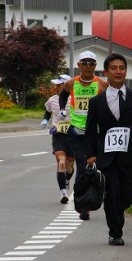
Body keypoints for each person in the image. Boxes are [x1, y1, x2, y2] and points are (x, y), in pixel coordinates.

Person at [85, 53, 132, 245]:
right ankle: (115, 233)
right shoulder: (96, 102)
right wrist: (90, 154)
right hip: (106, 155)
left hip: (130, 153)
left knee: (127, 195)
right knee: (112, 193)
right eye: (113, 68)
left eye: (121, 68)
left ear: (125, 71)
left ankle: (118, 211)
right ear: (106, 72)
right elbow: (90, 129)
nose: (118, 71)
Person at [59, 51, 108, 220]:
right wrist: (61, 109)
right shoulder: (71, 83)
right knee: (82, 166)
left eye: (91, 63)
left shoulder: (102, 85)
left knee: (101, 166)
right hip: (77, 132)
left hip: (96, 132)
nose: (88, 66)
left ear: (95, 66)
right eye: (85, 63)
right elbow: (63, 95)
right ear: (79, 65)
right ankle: (83, 206)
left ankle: (104, 196)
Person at [41, 74, 74, 204]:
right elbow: (48, 111)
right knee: (61, 160)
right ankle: (63, 193)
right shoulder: (52, 100)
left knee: (69, 165)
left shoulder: (75, 99)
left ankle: (66, 179)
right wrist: (45, 120)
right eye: (56, 85)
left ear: (66, 85)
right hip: (58, 135)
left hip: (73, 135)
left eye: (59, 85)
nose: (56, 87)